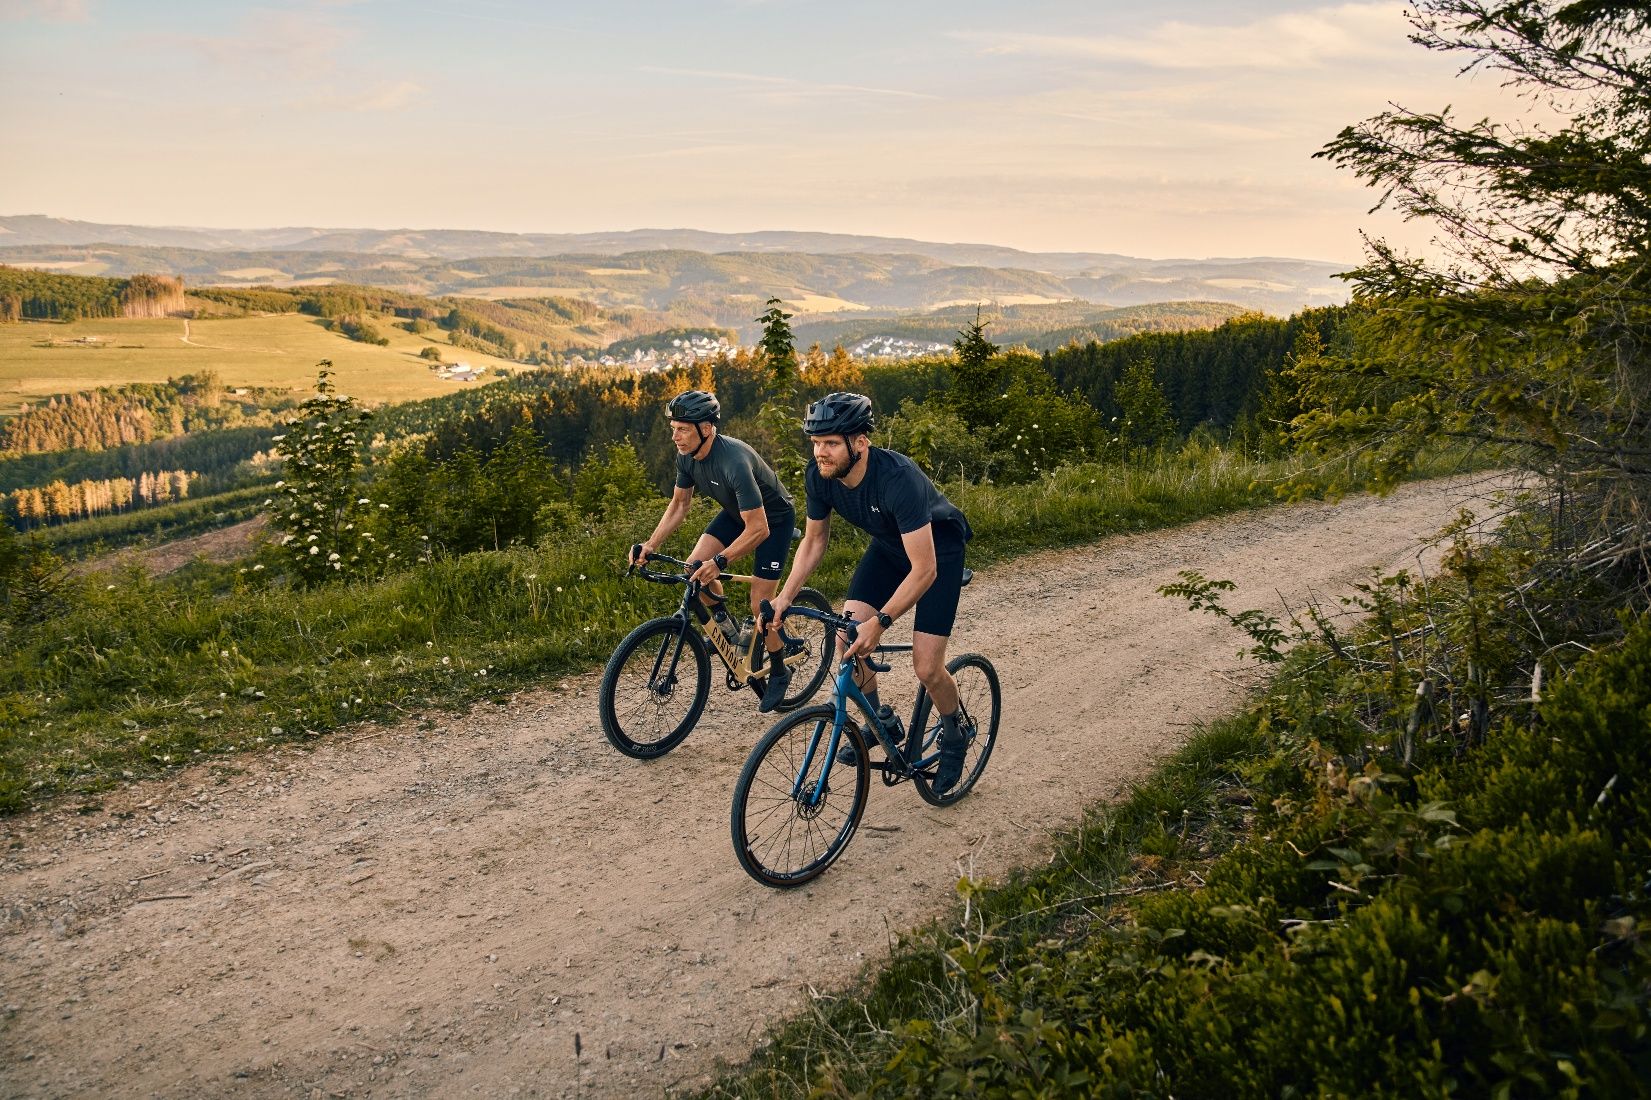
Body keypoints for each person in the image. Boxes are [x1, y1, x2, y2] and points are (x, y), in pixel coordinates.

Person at [765, 392, 976, 793]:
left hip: (937, 554)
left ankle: (955, 730)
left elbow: (924, 569)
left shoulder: (898, 479)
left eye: (830, 443)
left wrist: (881, 622)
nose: (820, 452)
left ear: (859, 442)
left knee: (927, 668)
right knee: (847, 636)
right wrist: (785, 597)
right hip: (889, 547)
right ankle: (881, 721)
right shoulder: (820, 476)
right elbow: (813, 542)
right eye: (815, 442)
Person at [629, 390, 797, 710]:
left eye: (682, 429)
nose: (674, 436)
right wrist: (651, 544)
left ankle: (778, 670)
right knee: (693, 568)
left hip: (771, 520)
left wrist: (720, 561)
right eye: (673, 428)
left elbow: (759, 528)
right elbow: (680, 505)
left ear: (706, 429)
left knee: (760, 604)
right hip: (738, 514)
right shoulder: (686, 456)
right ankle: (725, 627)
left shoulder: (733, 460)